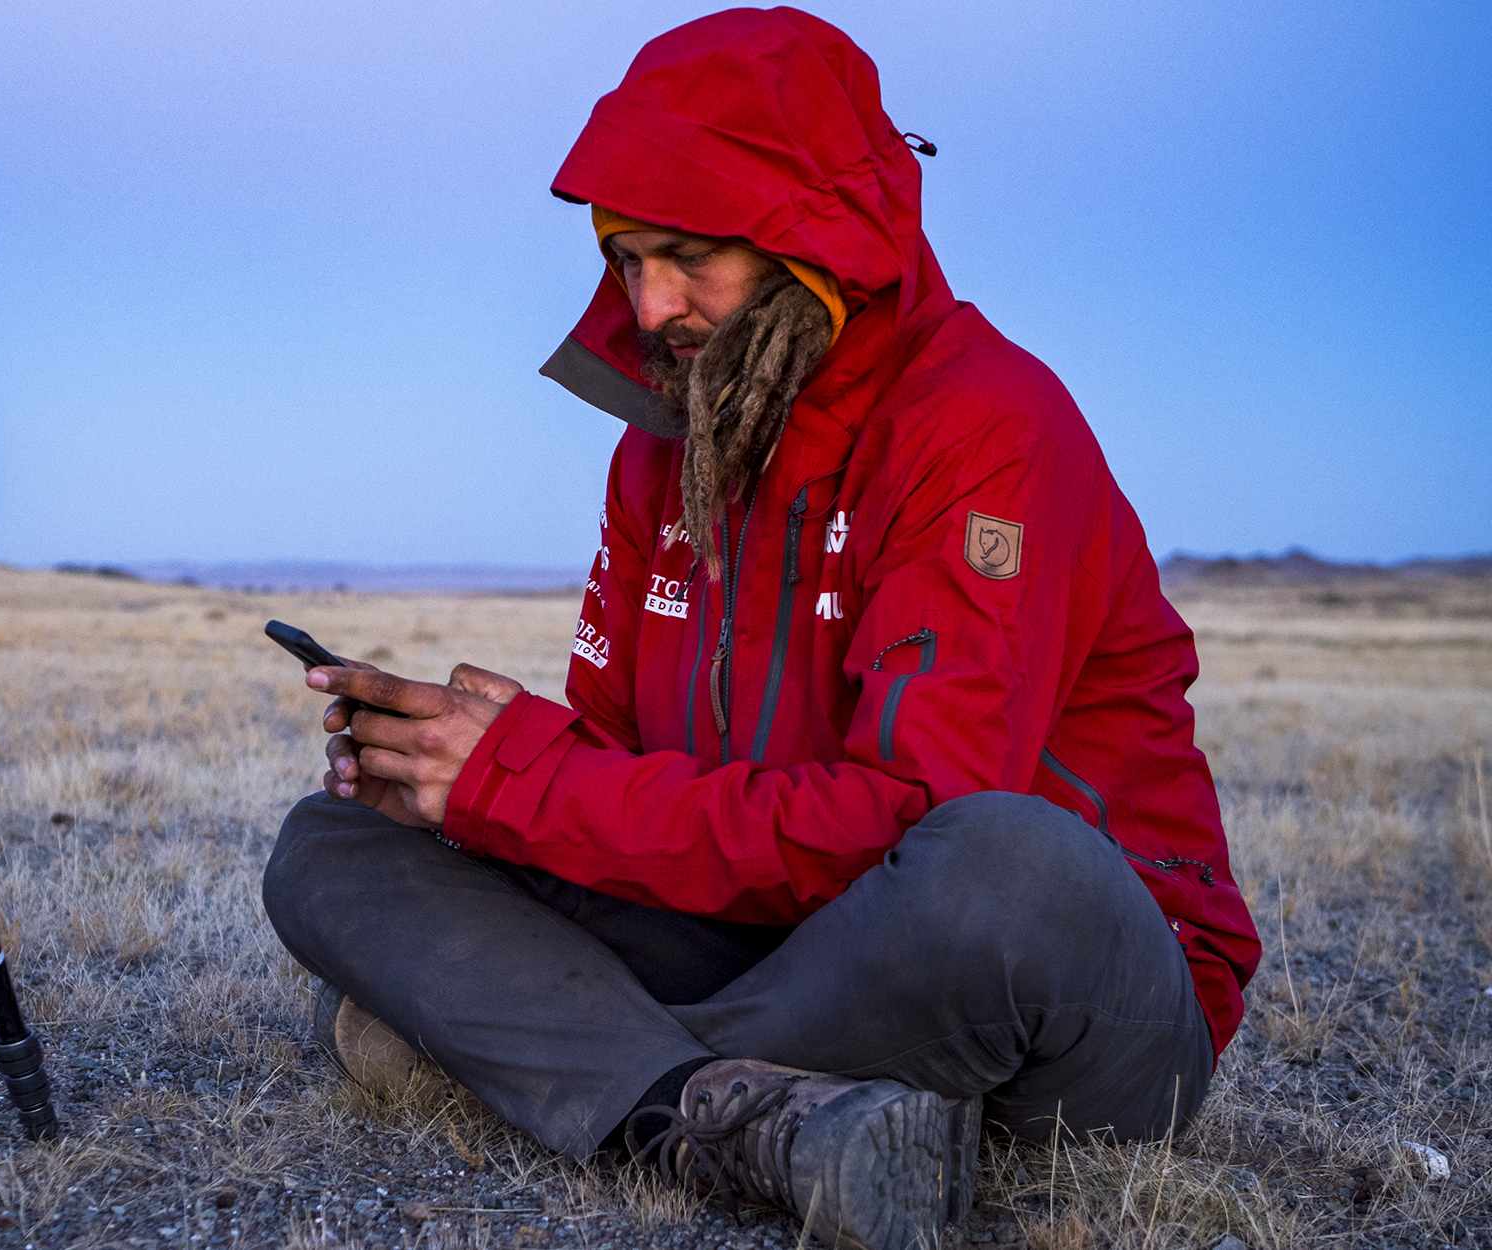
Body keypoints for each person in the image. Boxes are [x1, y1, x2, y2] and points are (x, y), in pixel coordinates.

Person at [262, 9, 1261, 1247]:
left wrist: (522, 795)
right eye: (625, 258)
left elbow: (905, 820)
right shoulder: (659, 456)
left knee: (1003, 861)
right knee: (329, 845)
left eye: (689, 257)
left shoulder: (982, 424)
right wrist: (458, 778)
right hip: (776, 944)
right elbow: (618, 776)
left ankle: (528, 1059)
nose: (650, 303)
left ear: (810, 242)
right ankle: (748, 1117)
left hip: (1064, 997)